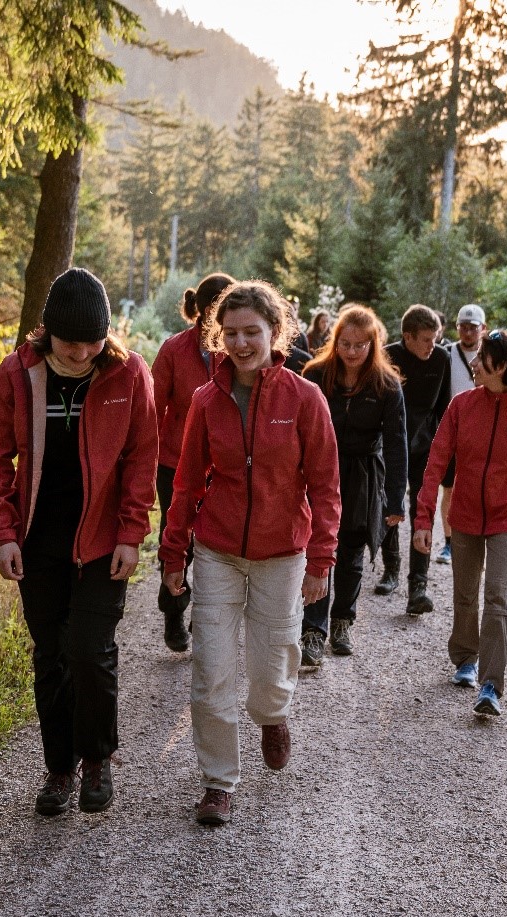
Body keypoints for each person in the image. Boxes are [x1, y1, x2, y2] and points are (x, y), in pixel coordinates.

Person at [160, 280, 341, 826]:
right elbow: (186, 483)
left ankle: (272, 713)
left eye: (252, 332)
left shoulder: (304, 398)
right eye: (231, 333)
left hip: (282, 553)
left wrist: (321, 560)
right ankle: (218, 781)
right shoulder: (205, 400)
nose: (241, 343)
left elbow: (326, 485)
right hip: (217, 550)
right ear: (219, 335)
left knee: (272, 662)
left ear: (275, 332)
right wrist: (174, 553)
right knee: (211, 669)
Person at [0, 268, 157, 816]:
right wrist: (4, 534)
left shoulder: (128, 373)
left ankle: (97, 757)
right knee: (51, 654)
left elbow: (141, 458)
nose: (80, 353)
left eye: (91, 342)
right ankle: (60, 767)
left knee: (90, 650)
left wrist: (131, 532)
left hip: (103, 540)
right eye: (69, 342)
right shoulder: (18, 373)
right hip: (38, 541)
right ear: (47, 331)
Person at [413, 330, 507, 718]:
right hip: (466, 514)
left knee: (496, 591)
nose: (473, 363)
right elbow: (436, 462)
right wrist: (424, 517)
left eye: (481, 358)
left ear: (501, 366)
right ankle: (465, 659)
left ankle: (491, 684)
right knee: (465, 591)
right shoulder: (461, 406)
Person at [299, 305, 407, 666]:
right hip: (320, 470)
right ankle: (313, 631)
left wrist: (396, 499)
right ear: (335, 341)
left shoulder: (386, 385)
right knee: (317, 548)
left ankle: (342, 621)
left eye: (360, 345)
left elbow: (397, 444)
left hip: (363, 473)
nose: (351, 351)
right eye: (345, 343)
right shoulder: (316, 375)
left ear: (373, 344)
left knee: (350, 550)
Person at [151, 272, 234, 652]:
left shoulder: (237, 348)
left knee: (218, 542)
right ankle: (174, 613)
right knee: (177, 537)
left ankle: (209, 616)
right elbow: (154, 410)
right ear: (202, 310)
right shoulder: (173, 350)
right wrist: (145, 462)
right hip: (175, 462)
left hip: (226, 465)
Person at [379, 305, 451, 616]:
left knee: (422, 511)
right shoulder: (388, 356)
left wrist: (445, 446)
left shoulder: (442, 358)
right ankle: (391, 569)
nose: (432, 345)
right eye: (426, 339)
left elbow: (444, 408)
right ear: (408, 337)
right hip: (391, 445)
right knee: (390, 506)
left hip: (425, 446)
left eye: (436, 339)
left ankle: (418, 585)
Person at [434, 303, 487, 565]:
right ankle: (449, 543)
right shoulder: (447, 354)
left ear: (483, 328)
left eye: (472, 328)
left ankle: (476, 542)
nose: (467, 332)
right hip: (453, 430)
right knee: (450, 489)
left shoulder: (490, 355)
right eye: (463, 327)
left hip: (483, 433)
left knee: (479, 488)